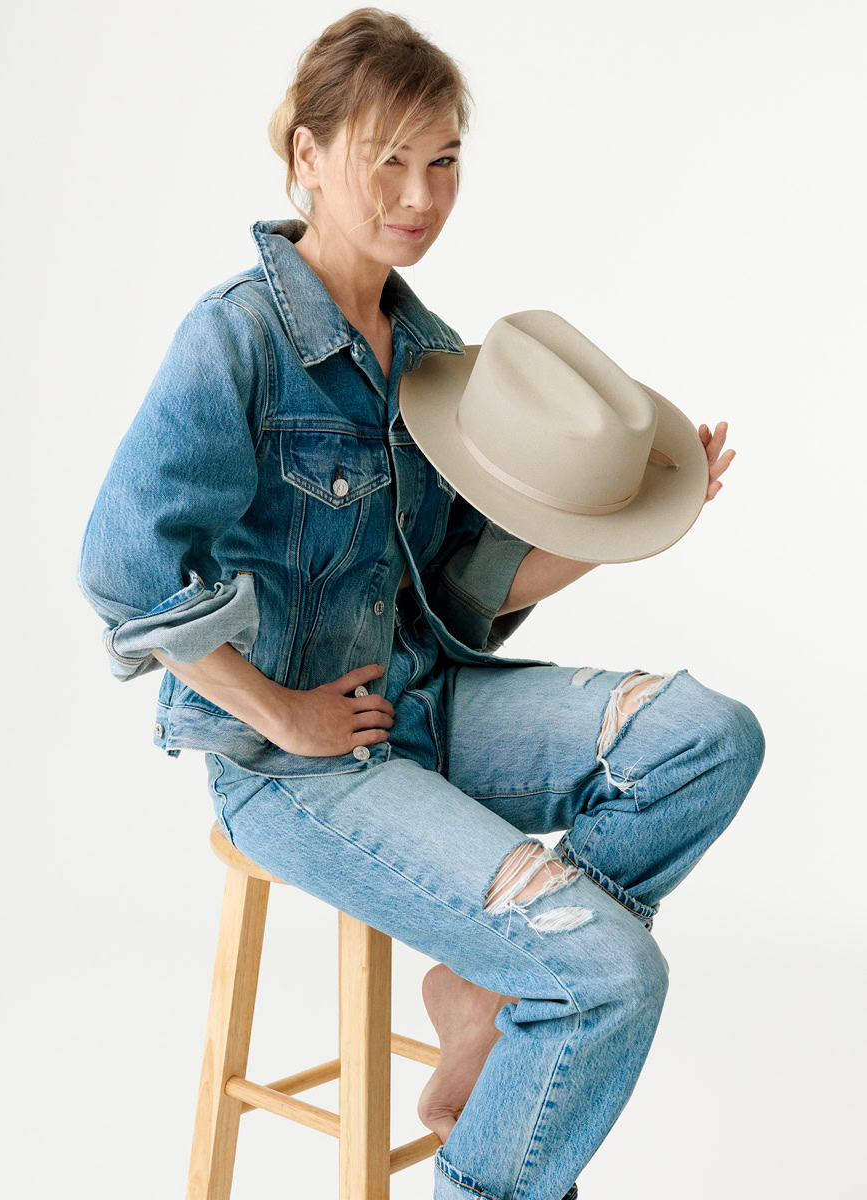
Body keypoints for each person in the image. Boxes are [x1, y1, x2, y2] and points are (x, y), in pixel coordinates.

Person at [75, 9, 765, 1198]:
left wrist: (632, 528)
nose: (420, 193)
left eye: (443, 160)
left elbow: (462, 586)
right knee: (611, 974)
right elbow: (126, 571)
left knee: (708, 738)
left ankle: (487, 988)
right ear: (306, 155)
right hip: (292, 770)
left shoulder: (434, 357)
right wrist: (281, 715)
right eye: (387, 158)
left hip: (423, 702)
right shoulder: (237, 339)